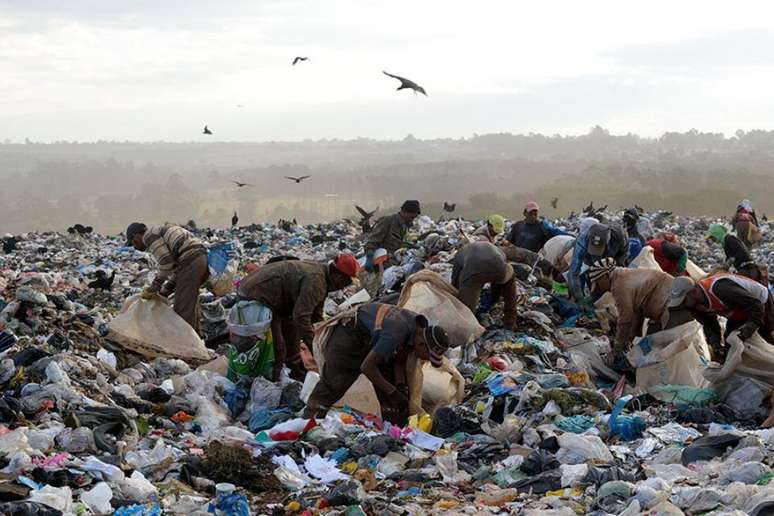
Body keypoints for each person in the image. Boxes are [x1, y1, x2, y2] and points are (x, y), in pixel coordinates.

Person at [303, 303, 450, 424]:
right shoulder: (396, 333)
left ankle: (394, 428)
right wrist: (392, 392)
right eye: (427, 356)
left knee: (389, 380)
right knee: (335, 383)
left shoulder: (418, 328)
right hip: (349, 336)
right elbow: (367, 367)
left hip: (371, 340)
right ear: (422, 344)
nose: (424, 360)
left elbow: (399, 360)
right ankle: (309, 422)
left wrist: (399, 386)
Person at [237, 254, 360, 380]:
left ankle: (295, 373)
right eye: (347, 282)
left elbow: (315, 315)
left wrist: (325, 338)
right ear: (339, 277)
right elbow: (301, 317)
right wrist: (316, 349)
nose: (344, 286)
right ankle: (274, 382)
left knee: (292, 334)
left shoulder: (322, 276)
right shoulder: (316, 281)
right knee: (278, 345)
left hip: (275, 298)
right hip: (256, 295)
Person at [669, 273, 774, 360]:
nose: (683, 305)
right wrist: (716, 345)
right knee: (730, 346)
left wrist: (748, 329)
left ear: (694, 292)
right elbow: (709, 323)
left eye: (683, 300)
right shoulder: (693, 304)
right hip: (736, 310)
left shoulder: (720, 289)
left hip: (761, 304)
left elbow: (756, 305)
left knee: (765, 339)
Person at [126, 222, 208, 331]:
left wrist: (155, 286)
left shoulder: (149, 236)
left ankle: (185, 344)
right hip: (200, 260)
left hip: (191, 261)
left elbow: (166, 262)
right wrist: (167, 289)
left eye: (132, 243)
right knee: (189, 303)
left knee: (182, 310)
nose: (135, 247)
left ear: (136, 236)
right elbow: (177, 269)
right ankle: (197, 339)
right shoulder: (158, 231)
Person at [588, 258, 673, 349]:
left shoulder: (618, 285)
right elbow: (636, 314)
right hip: (665, 304)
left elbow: (625, 319)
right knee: (649, 346)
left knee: (666, 348)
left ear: (605, 276)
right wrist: (628, 340)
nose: (600, 289)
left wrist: (619, 344)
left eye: (598, 284)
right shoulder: (623, 275)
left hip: (671, 303)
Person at [451, 241, 516, 328]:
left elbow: (455, 280)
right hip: (499, 270)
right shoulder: (498, 251)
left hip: (473, 276)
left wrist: (459, 296)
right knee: (510, 279)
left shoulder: (460, 254)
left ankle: (468, 329)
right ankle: (510, 321)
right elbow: (500, 268)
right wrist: (495, 295)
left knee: (467, 311)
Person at [568, 222, 629, 302]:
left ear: (608, 241)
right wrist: (579, 297)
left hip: (613, 258)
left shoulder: (620, 236)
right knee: (593, 282)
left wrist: (615, 267)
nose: (597, 254)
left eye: (599, 247)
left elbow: (624, 253)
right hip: (590, 261)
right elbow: (573, 272)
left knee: (616, 281)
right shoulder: (582, 241)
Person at [364, 200, 421, 271]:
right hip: (382, 263)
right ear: (404, 212)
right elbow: (371, 242)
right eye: (411, 217)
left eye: (414, 218)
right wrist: (369, 258)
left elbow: (398, 243)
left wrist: (411, 246)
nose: (412, 220)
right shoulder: (388, 221)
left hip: (396, 262)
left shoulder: (405, 226)